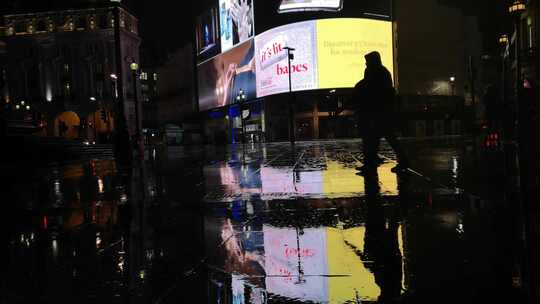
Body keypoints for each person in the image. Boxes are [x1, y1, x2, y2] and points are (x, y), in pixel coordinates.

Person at [354, 51, 410, 174]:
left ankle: (402, 162)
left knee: (386, 138)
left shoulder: (381, 73)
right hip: (376, 112)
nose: (366, 63)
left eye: (368, 61)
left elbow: (374, 89)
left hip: (381, 112)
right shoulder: (374, 71)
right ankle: (370, 164)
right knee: (374, 140)